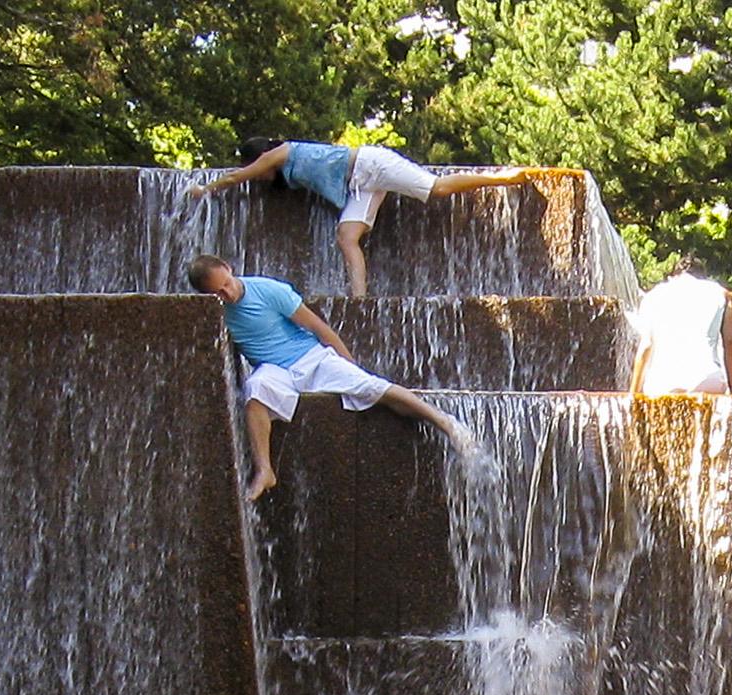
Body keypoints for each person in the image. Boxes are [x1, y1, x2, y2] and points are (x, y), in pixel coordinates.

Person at [187, 254, 469, 500]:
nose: (228, 294)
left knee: (371, 386)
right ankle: (265, 470)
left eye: (227, 284)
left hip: (312, 358)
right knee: (256, 389)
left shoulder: (270, 290)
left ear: (228, 267)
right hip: (274, 371)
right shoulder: (215, 312)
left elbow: (318, 327)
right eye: (219, 293)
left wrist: (349, 363)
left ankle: (444, 422)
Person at [186, 137, 529, 296]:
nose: (257, 174)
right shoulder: (286, 166)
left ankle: (503, 176)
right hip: (359, 186)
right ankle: (359, 299)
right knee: (347, 238)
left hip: (371, 164)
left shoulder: (278, 153)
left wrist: (206, 189)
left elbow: (236, 177)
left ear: (258, 156)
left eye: (255, 167)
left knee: (436, 188)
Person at [630, 254, 732, 395]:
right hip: (709, 379)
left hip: (663, 381)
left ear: (674, 276)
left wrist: (633, 394)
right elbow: (729, 343)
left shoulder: (654, 295)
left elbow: (646, 345)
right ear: (703, 278)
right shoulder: (721, 293)